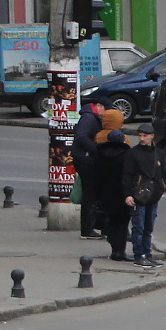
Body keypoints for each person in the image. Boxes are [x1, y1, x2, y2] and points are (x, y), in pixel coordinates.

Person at [123, 122, 166, 267]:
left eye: (145, 136)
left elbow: (164, 172)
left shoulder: (158, 153)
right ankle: (139, 254)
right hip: (138, 196)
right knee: (139, 227)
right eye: (140, 136)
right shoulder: (133, 153)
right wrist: (128, 195)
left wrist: (162, 187)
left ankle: (147, 254)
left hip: (153, 196)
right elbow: (127, 176)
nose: (142, 139)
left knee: (148, 227)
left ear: (152, 136)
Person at [93, 128, 133, 261]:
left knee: (111, 220)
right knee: (123, 223)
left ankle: (113, 246)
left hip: (105, 193)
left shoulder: (99, 153)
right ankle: (119, 251)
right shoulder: (127, 154)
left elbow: (95, 174)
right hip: (122, 193)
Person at [72, 102, 104, 238]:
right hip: (86, 160)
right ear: (98, 106)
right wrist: (97, 150)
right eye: (105, 109)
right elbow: (81, 137)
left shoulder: (90, 117)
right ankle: (87, 228)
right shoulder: (89, 118)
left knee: (91, 193)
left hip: (85, 159)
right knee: (89, 194)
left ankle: (91, 226)